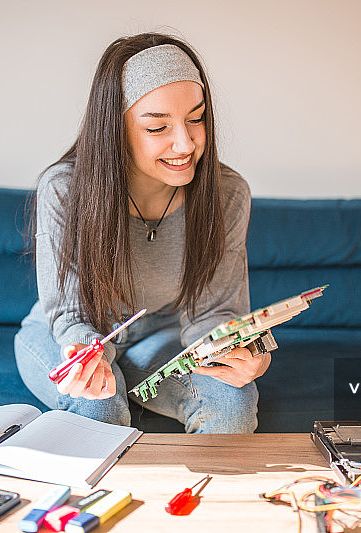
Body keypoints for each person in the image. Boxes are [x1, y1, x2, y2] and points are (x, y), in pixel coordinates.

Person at [14, 32, 271, 433]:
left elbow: (215, 313)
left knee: (231, 406)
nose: (185, 143)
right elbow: (70, 313)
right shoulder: (64, 189)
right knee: (100, 412)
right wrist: (88, 354)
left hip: (164, 338)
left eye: (196, 118)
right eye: (158, 127)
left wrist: (242, 349)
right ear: (115, 129)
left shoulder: (227, 193)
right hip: (73, 336)